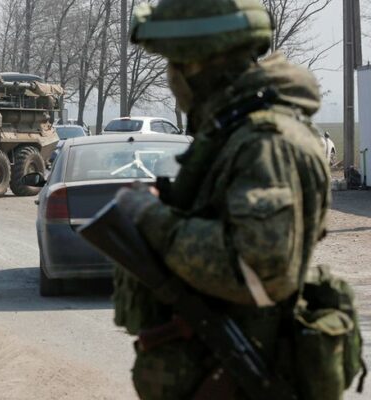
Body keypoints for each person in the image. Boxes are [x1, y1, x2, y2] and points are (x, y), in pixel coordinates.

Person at [110, 0, 332, 398]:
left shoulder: (266, 142)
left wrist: (151, 216)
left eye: (174, 65)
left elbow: (258, 268)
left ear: (198, 66)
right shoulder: (234, 135)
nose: (170, 79)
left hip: (243, 381)